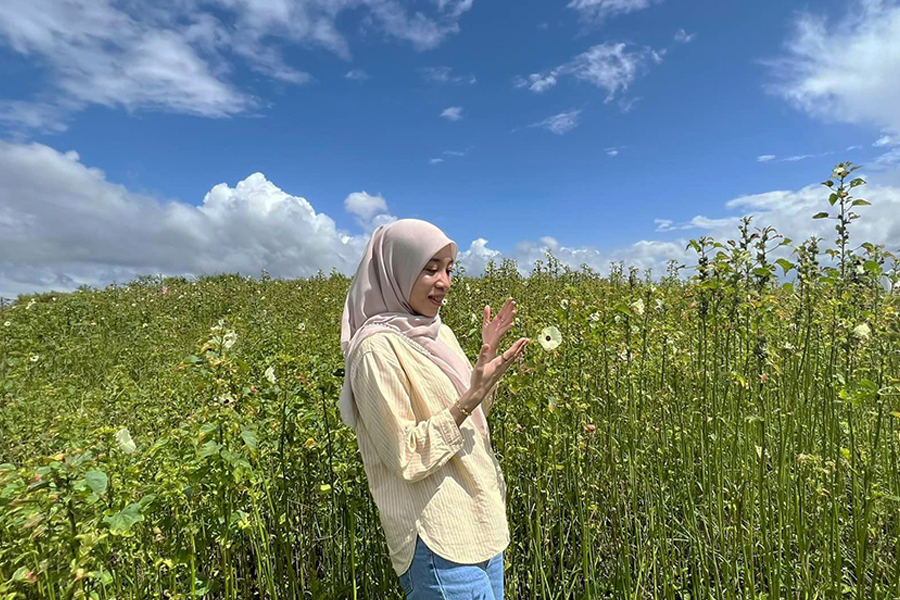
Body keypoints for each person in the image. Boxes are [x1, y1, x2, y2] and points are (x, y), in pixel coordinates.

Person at [339, 218, 530, 599]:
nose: (444, 282)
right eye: (429, 269)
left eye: (448, 269)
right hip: (438, 536)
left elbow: (471, 419)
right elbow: (406, 454)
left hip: (483, 521)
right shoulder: (376, 349)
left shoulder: (439, 333)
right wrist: (466, 401)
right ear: (396, 269)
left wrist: (483, 378)